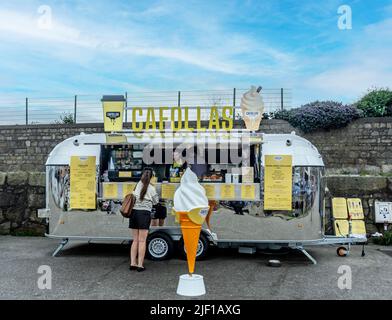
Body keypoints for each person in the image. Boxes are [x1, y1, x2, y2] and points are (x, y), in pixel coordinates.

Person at [129, 168, 159, 272]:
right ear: (151, 177)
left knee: (135, 240)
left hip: (134, 213)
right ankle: (140, 265)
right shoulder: (151, 188)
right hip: (144, 214)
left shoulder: (137, 184)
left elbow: (133, 195)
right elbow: (156, 202)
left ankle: (133, 263)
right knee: (142, 240)